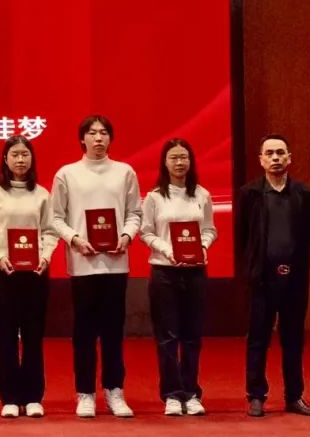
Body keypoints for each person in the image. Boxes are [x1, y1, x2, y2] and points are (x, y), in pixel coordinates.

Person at [50, 115, 141, 419]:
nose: (98, 138)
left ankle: (115, 391)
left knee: (114, 331)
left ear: (110, 138)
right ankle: (85, 393)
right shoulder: (67, 174)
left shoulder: (124, 172)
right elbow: (56, 217)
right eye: (92, 133)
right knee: (84, 332)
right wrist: (74, 239)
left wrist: (126, 236)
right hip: (83, 264)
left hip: (116, 263)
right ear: (82, 139)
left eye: (104, 133)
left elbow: (135, 213)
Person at [236, 134, 310, 417]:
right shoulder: (249, 194)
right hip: (261, 279)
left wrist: (291, 263)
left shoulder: (302, 193)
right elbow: (243, 237)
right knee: (258, 338)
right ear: (261, 160)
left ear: (289, 158)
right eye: (269, 153)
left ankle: (294, 396)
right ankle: (256, 395)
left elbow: (309, 235)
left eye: (280, 153)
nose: (275, 158)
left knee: (293, 339)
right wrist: (254, 268)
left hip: (295, 279)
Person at [0, 136, 58, 419]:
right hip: (4, 273)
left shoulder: (42, 194)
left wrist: (45, 256)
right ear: (5, 159)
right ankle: (10, 397)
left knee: (34, 336)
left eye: (25, 154)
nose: (20, 159)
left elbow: (50, 231)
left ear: (32, 158)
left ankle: (33, 396)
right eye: (15, 154)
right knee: (6, 336)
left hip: (35, 274)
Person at [140, 139, 216, 417]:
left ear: (191, 161)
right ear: (165, 162)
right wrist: (168, 250)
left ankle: (192, 392)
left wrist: (202, 246)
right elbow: (146, 232)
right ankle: (172, 394)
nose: (180, 162)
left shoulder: (202, 195)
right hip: (164, 272)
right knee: (168, 337)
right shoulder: (154, 197)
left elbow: (209, 229)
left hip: (195, 272)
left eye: (184, 157)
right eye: (174, 158)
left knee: (192, 336)